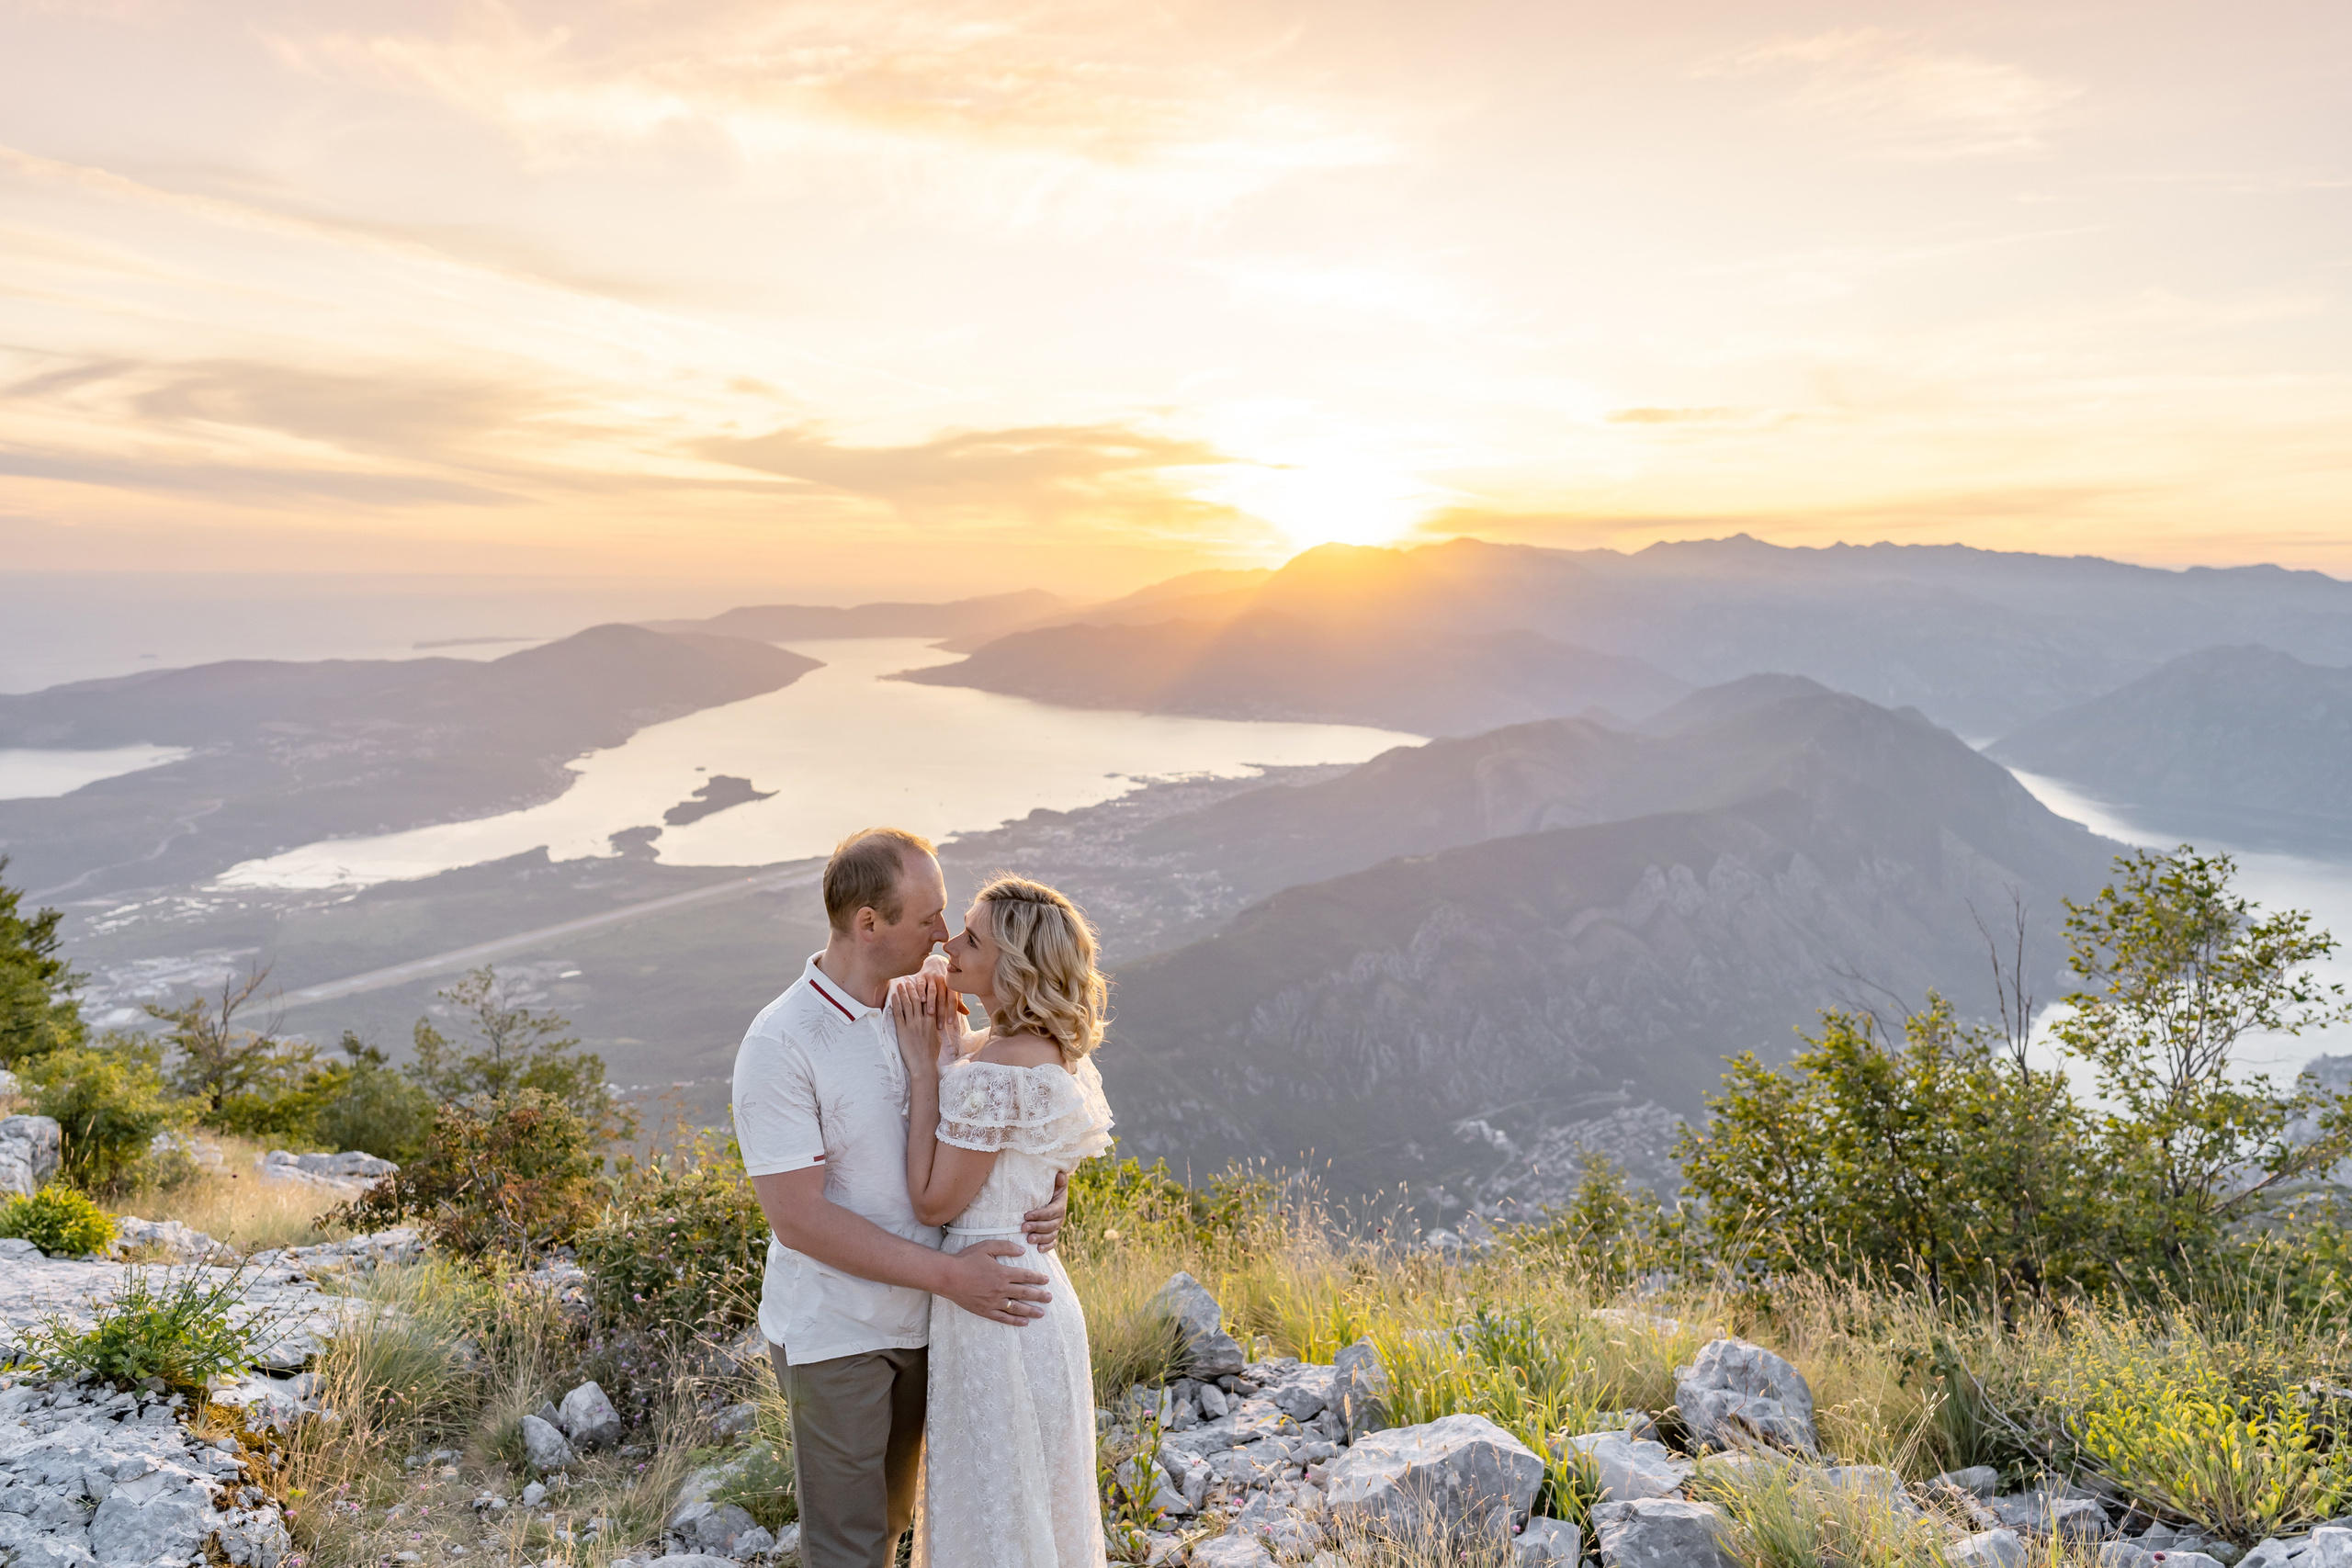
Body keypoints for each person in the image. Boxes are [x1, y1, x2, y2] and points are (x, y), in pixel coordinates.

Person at [732, 829, 1071, 1568]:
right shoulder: (782, 1041)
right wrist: (953, 1274)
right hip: (840, 1329)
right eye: (929, 918)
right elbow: (801, 1219)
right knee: (850, 1543)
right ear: (868, 923)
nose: (945, 935)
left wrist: (1049, 1186)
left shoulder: (932, 1003)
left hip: (939, 1324)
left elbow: (1025, 1089)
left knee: (898, 1524)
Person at [890, 874, 1114, 1568]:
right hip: (1035, 1288)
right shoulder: (1048, 1050)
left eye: (971, 939)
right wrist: (1057, 1190)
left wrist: (927, 1073)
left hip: (993, 1304)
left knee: (997, 1507)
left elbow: (933, 1203)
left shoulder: (994, 1071)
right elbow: (1054, 1145)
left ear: (1010, 967)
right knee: (1034, 1497)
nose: (948, 944)